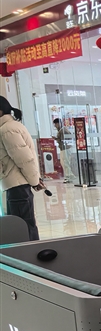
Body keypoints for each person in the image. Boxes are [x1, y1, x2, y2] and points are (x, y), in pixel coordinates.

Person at [0, 96, 45, 240]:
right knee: (22, 225)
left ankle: (30, 253)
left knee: (22, 227)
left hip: (17, 186)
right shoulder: (10, 127)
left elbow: (24, 159)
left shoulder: (7, 130)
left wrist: (34, 181)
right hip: (16, 184)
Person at [53, 117, 75, 183]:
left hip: (66, 148)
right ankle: (69, 175)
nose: (55, 126)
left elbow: (64, 140)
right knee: (64, 162)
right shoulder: (62, 130)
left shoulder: (63, 130)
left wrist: (57, 139)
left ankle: (69, 176)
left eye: (55, 124)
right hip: (63, 148)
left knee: (65, 163)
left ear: (58, 123)